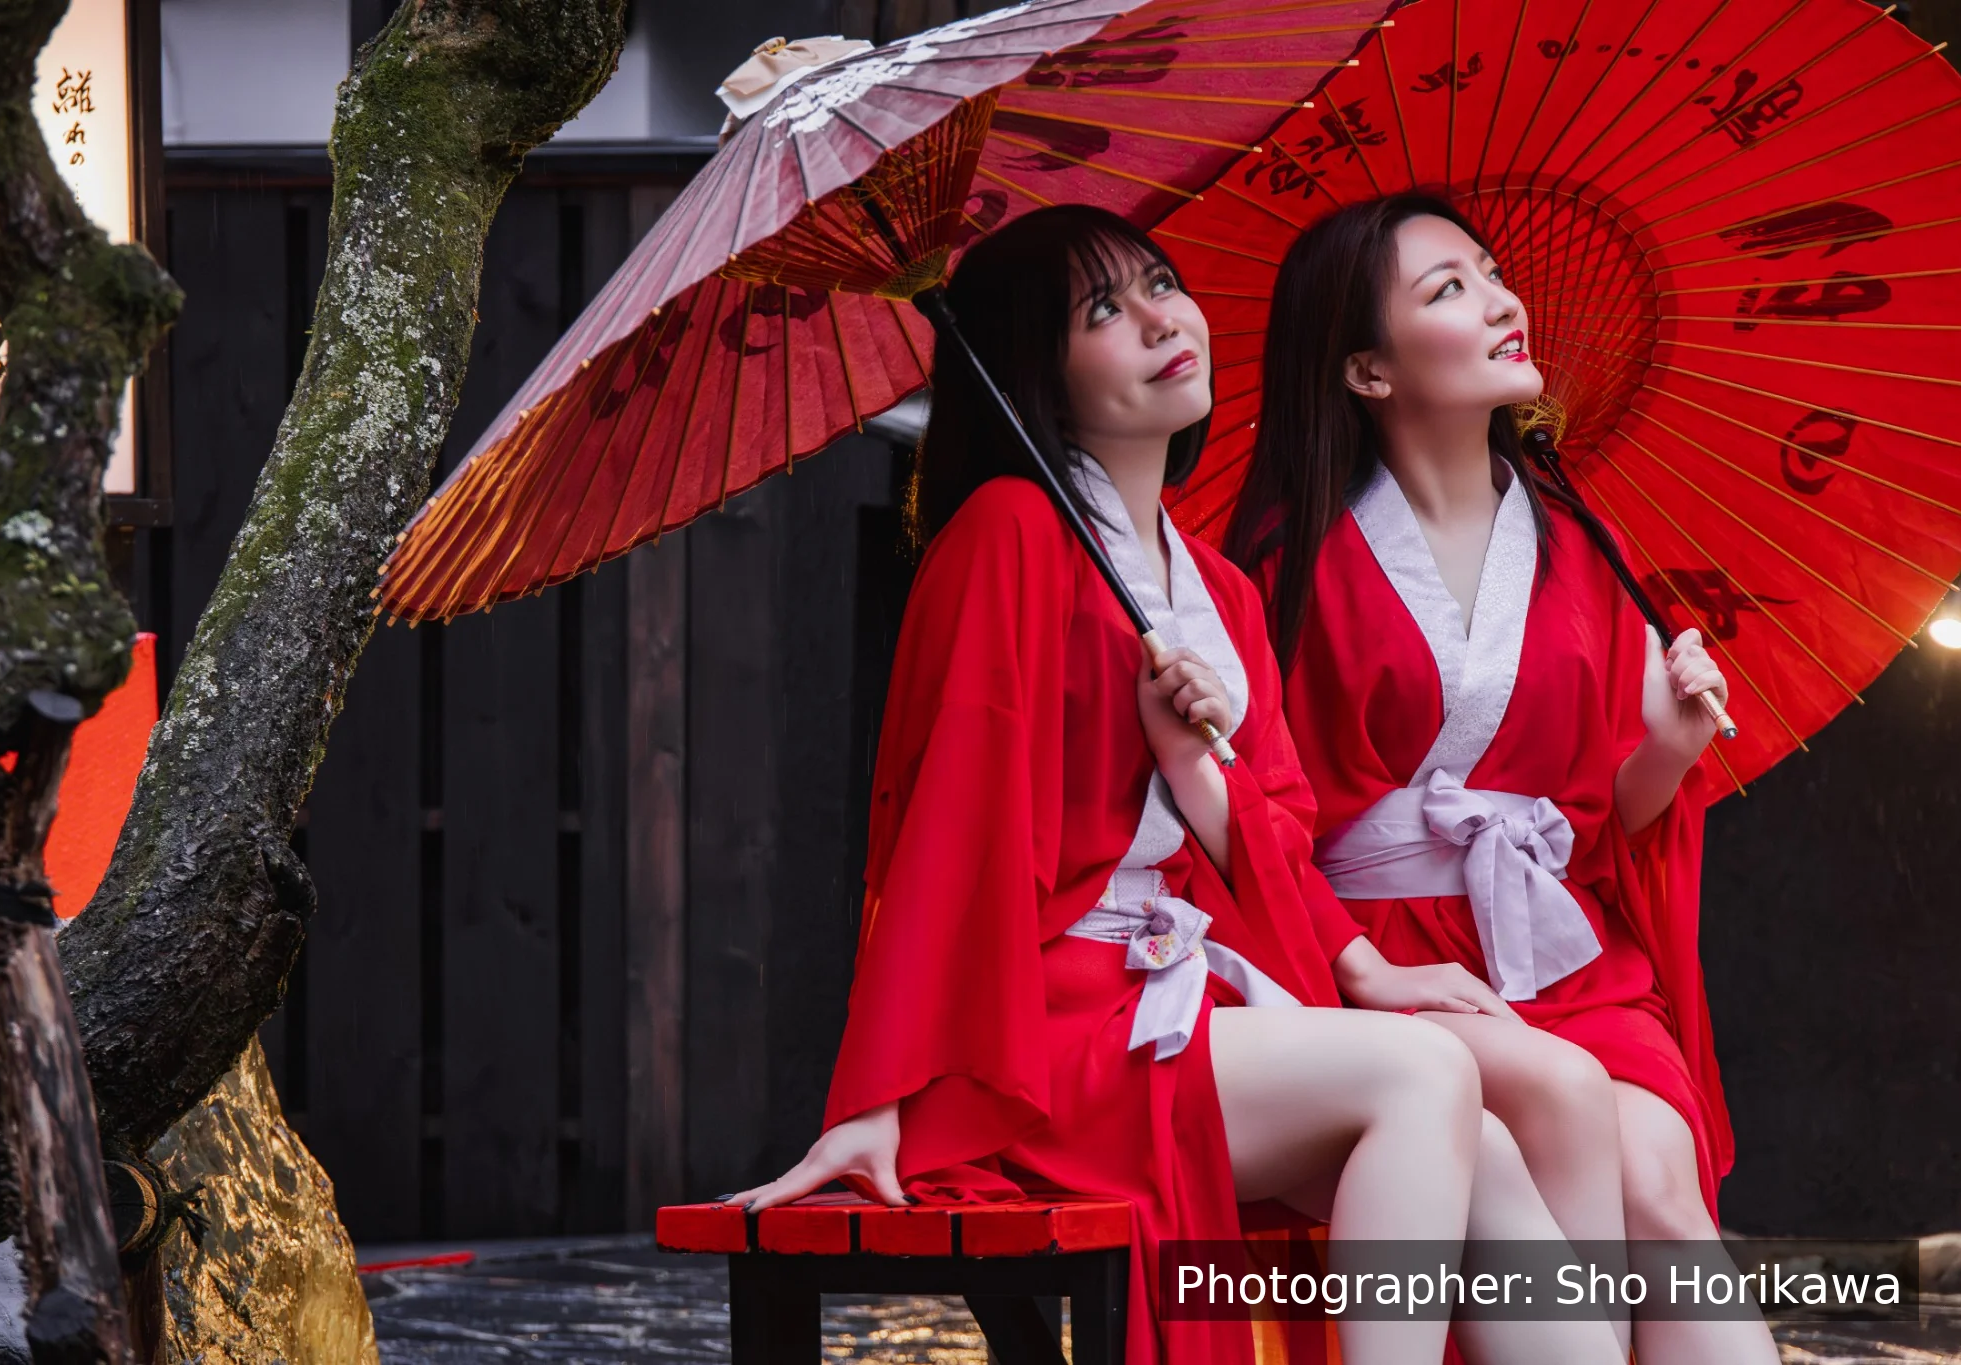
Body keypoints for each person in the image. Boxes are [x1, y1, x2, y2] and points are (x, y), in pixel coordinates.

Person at [725, 205, 1625, 1365]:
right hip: (1038, 1034)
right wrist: (872, 1096)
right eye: (1102, 311)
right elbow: (943, 828)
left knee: (1489, 1154)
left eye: (1159, 284)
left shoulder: (1215, 590)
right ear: (1036, 371)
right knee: (1422, 1076)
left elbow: (1275, 832)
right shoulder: (1007, 531)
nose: (1161, 320)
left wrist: (1203, 779)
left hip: (1174, 999)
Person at [1226, 191, 1777, 1365]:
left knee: (1659, 1188)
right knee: (1562, 1131)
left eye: (1488, 272)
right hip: (1378, 956)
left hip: (1561, 951)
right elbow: (1259, 825)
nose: (1499, 301)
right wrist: (1361, 968)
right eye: (1448, 289)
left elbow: (1595, 824)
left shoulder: (1578, 541)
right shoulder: (1282, 567)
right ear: (1367, 371)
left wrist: (1669, 746)